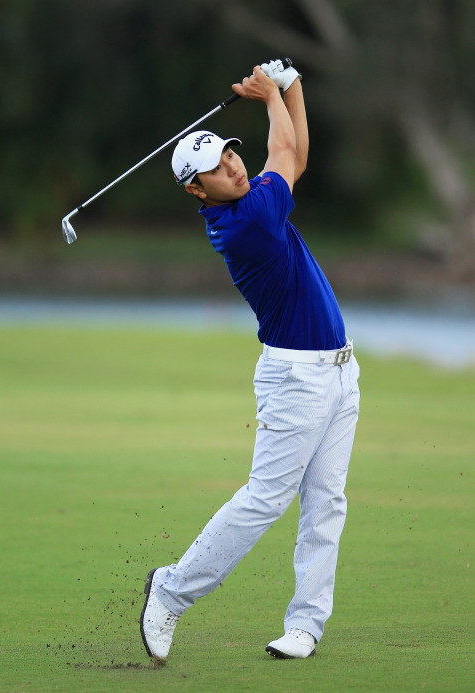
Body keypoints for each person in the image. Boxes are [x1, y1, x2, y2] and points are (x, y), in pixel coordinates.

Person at [140, 59, 360, 661]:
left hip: (340, 373)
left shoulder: (254, 199)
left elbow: (296, 154)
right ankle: (171, 591)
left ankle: (305, 626)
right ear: (196, 189)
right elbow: (286, 150)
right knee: (265, 498)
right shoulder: (244, 225)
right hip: (296, 378)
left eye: (230, 155)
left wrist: (292, 89)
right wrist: (272, 96)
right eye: (214, 167)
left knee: (326, 504)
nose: (231, 166)